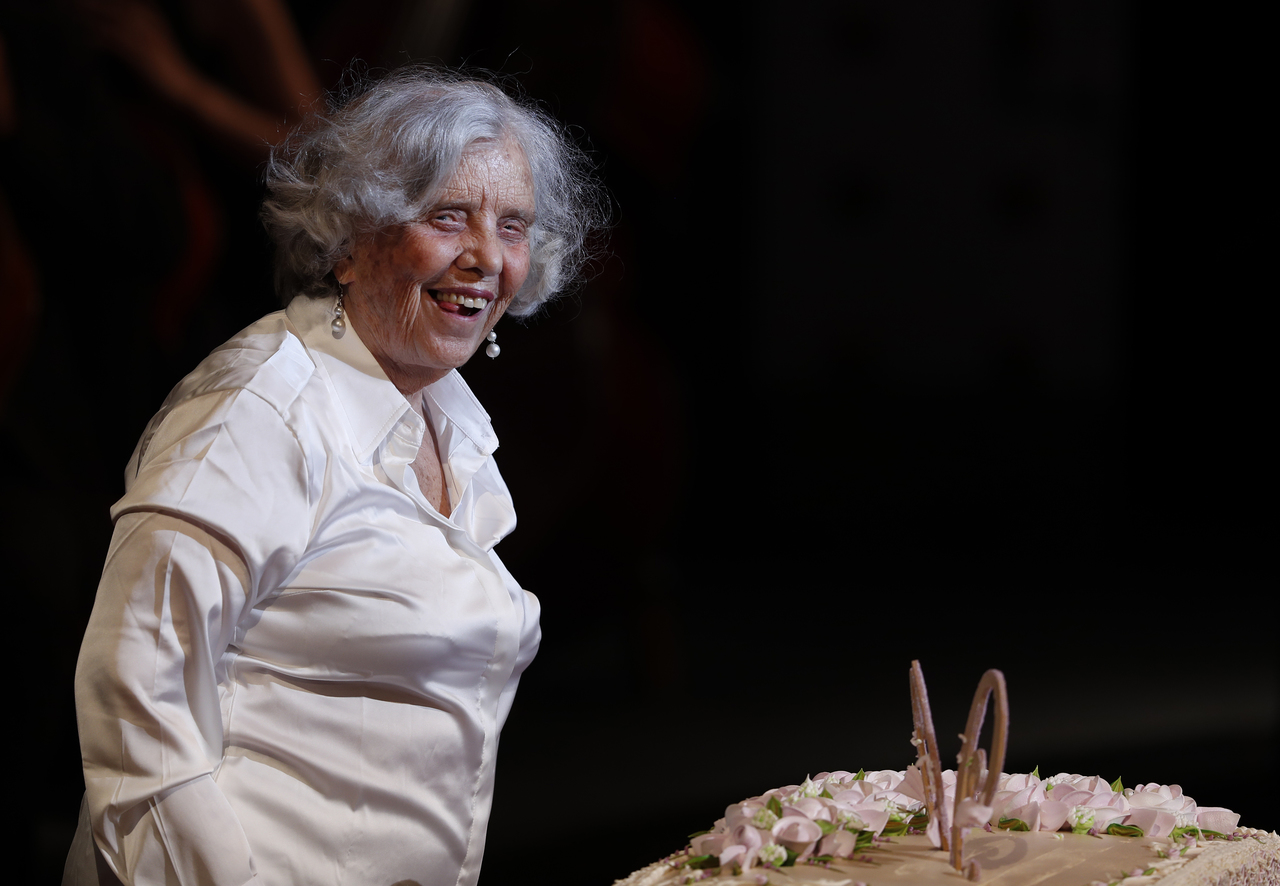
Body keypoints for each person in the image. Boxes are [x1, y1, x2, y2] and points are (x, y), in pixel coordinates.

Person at [68, 68, 605, 886]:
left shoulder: (450, 420)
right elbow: (135, 704)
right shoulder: (256, 414)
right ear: (350, 240)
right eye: (446, 216)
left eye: (513, 226)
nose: (486, 258)